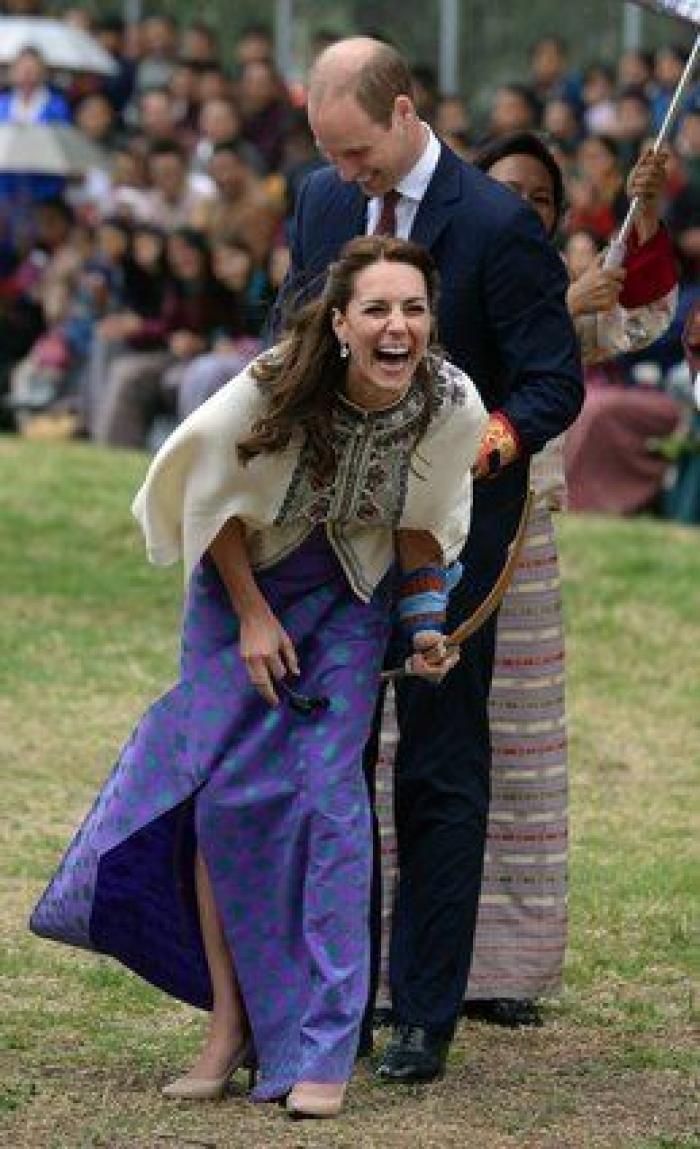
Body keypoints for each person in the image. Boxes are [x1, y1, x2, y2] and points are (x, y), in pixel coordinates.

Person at [29, 235, 488, 1119]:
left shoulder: (448, 402)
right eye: (379, 310)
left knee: (329, 804)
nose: (399, 326)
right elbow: (209, 503)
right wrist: (249, 612)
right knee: (227, 800)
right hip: (241, 585)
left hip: (350, 596)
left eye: (415, 309)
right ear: (343, 321)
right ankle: (229, 1028)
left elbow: (425, 524)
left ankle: (319, 1046)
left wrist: (426, 627)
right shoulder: (274, 387)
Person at [278, 36, 583, 1083]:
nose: (345, 173)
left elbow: (551, 382)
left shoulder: (496, 224)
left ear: (404, 113)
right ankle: (340, 996)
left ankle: (423, 1011)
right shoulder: (320, 202)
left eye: (357, 151)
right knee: (333, 769)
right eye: (330, 152)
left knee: (441, 771)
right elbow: (291, 334)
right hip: (330, 538)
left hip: (454, 547)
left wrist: (478, 448)